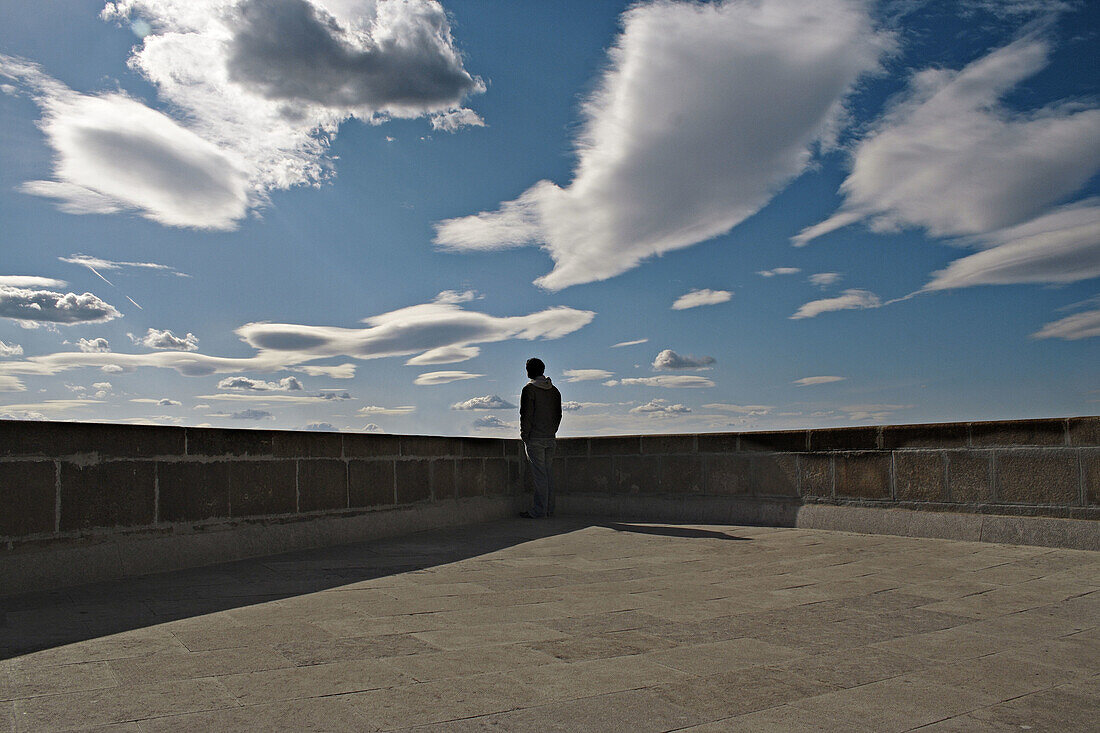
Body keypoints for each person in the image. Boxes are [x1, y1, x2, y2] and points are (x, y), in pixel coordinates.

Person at [519, 357, 562, 519]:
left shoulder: (529, 389)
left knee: (540, 477)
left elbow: (526, 414)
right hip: (550, 437)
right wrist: (552, 430)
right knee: (548, 474)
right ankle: (549, 509)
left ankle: (539, 511)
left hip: (535, 438)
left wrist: (525, 434)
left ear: (529, 371)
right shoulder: (554, 390)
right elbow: (558, 415)